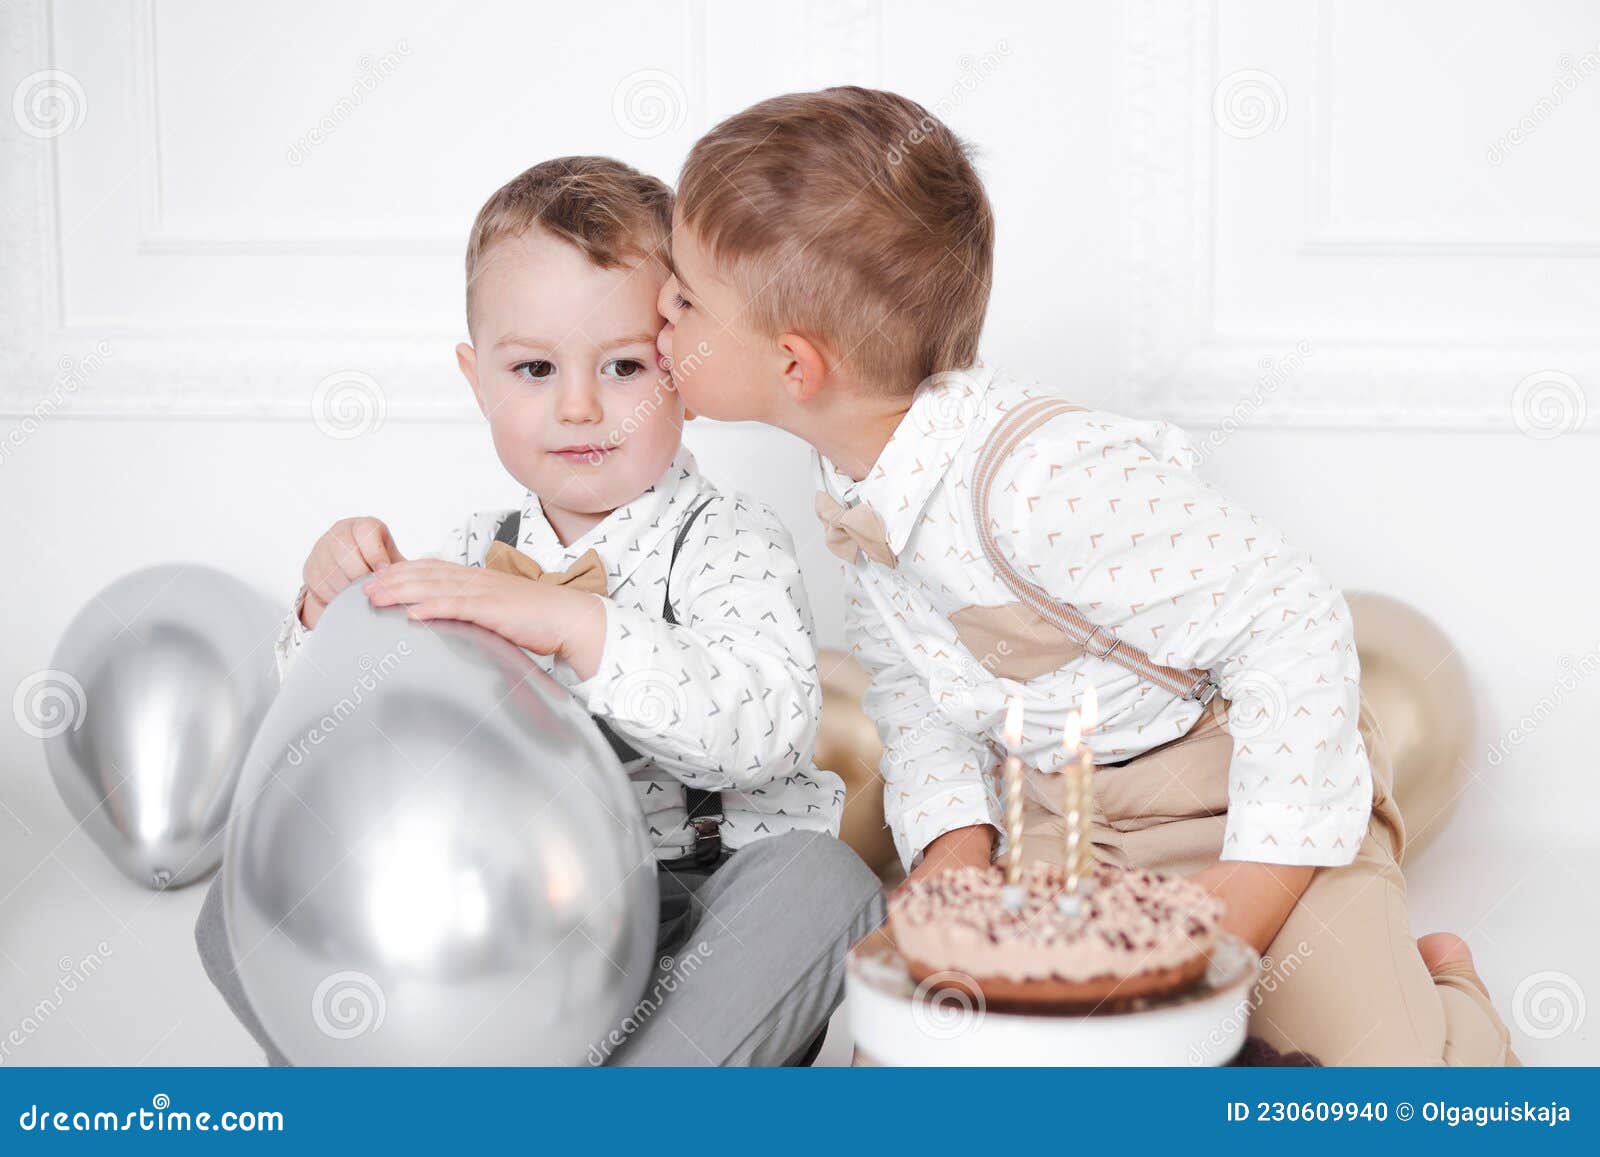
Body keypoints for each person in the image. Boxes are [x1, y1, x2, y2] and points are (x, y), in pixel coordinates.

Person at [652, 87, 1517, 1065]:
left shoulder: (1038, 482)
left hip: (1236, 800)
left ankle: (1455, 1000)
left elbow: (1291, 615)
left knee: (1385, 1089)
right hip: (1066, 828)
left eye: (684, 298)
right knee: (953, 1061)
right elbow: (915, 685)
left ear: (795, 363)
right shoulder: (858, 481)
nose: (658, 315)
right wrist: (955, 849)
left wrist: (1252, 887)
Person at [194, 156, 883, 1067]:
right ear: (478, 380)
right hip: (508, 928)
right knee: (241, 898)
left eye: (626, 364)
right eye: (533, 368)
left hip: (690, 916)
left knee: (821, 883)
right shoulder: (470, 551)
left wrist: (577, 626)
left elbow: (764, 730)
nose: (579, 405)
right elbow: (335, 753)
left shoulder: (730, 538)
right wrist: (331, 613)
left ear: (686, 370)